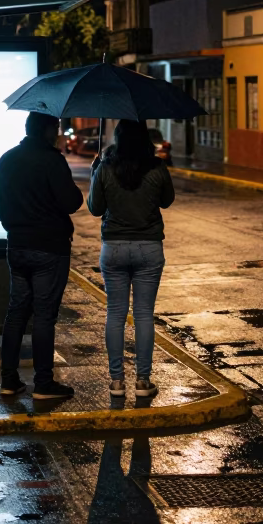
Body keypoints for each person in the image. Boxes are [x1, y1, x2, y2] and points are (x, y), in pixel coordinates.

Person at [0, 111, 83, 400]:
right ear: (45, 129)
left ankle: (9, 380)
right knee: (44, 316)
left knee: (16, 313)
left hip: (17, 246)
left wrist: (13, 224)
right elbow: (71, 202)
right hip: (49, 248)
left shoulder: (7, 158)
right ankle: (43, 383)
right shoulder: (52, 160)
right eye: (55, 127)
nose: (57, 132)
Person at [87, 120, 175, 398]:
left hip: (113, 248)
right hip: (149, 248)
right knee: (143, 315)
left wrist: (95, 174)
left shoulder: (105, 167)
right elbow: (167, 200)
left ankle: (116, 383)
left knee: (115, 314)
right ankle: (142, 381)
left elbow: (95, 208)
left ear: (119, 139)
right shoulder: (157, 167)